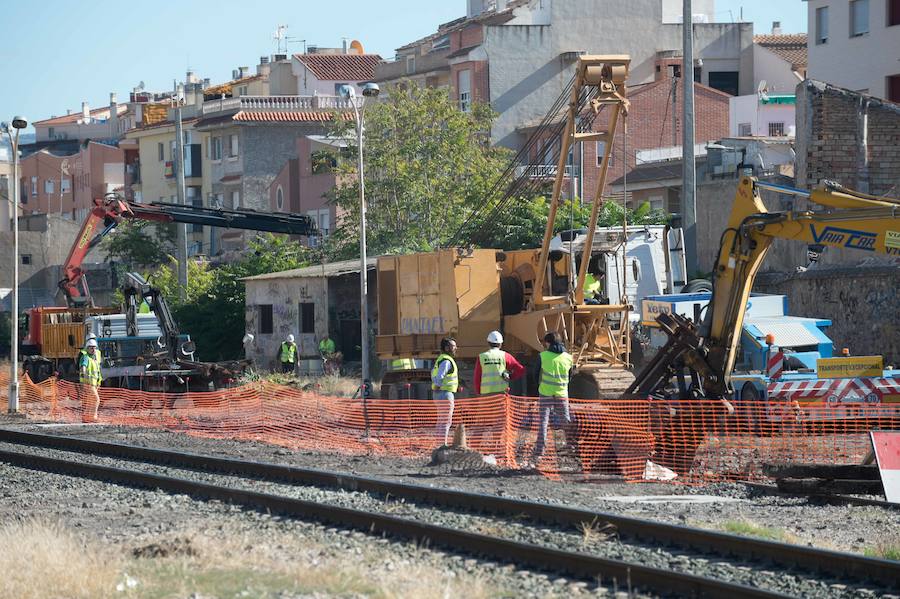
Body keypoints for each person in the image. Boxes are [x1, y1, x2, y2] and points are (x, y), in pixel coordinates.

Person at [532, 331, 574, 461]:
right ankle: (572, 447)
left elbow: (535, 373)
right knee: (566, 420)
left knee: (544, 421)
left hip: (545, 392)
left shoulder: (542, 356)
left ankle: (540, 450)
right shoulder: (568, 357)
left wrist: (538, 385)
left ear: (548, 343)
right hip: (562, 393)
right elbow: (571, 374)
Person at [474, 331, 525, 395]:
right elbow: (520, 369)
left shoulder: (481, 357)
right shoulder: (505, 356)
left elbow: (477, 377)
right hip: (501, 394)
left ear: (488, 343)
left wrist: (478, 392)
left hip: (486, 394)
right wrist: (511, 376)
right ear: (500, 344)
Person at [431, 337, 458, 445]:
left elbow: (433, 373)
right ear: (447, 348)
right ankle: (443, 445)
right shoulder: (446, 360)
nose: (456, 348)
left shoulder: (441, 359)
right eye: (453, 346)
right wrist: (438, 386)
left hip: (441, 393)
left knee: (441, 421)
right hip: (445, 393)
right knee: (446, 422)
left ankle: (440, 444)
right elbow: (440, 376)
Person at [79, 338, 103, 423]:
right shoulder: (86, 357)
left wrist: (98, 382)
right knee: (96, 400)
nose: (93, 349)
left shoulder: (93, 359)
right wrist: (84, 375)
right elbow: (83, 367)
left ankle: (86, 417)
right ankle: (93, 417)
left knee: (90, 401)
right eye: (91, 348)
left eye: (94, 348)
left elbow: (97, 372)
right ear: (87, 348)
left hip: (93, 384)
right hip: (88, 384)